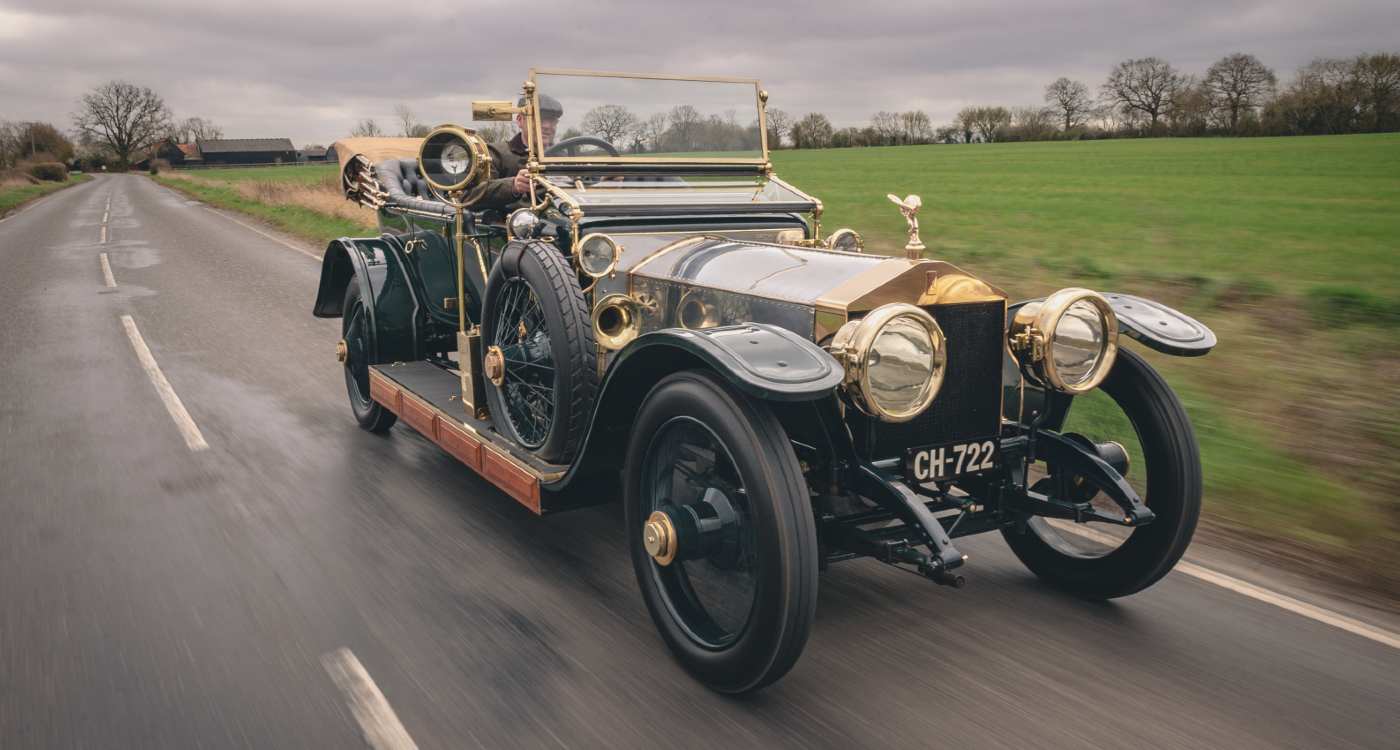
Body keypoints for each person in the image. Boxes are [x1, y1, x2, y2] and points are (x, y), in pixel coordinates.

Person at [478, 93, 562, 211]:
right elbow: (470, 197)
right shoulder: (495, 154)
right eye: (538, 119)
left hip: (565, 225)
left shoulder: (565, 158)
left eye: (552, 120)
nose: (547, 126)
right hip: (508, 226)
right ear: (520, 120)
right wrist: (513, 186)